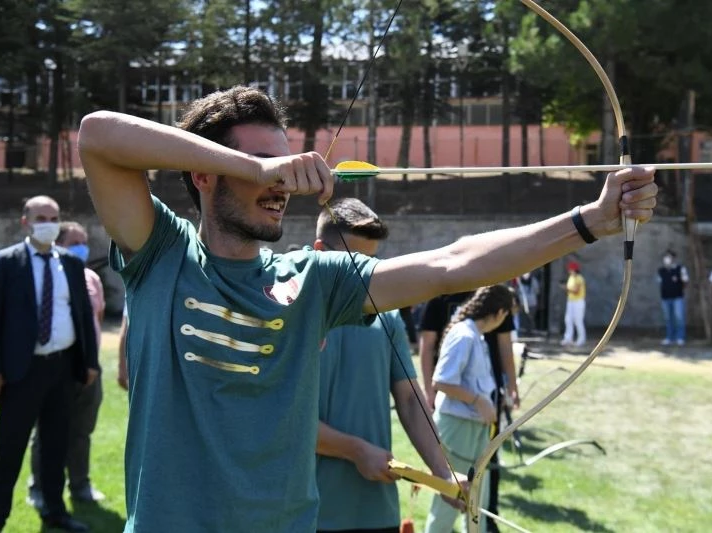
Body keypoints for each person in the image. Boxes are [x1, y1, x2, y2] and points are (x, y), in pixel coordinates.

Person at [76, 85, 657, 531]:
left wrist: (591, 222)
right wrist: (258, 170)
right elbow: (98, 134)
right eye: (261, 164)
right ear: (204, 173)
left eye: (285, 165)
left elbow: (452, 264)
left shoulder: (315, 279)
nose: (283, 182)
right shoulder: (161, 253)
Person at [313, 198, 459, 533]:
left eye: (373, 262)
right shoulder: (288, 317)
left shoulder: (386, 316)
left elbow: (409, 400)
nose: (366, 274)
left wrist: (443, 470)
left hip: (377, 513)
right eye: (355, 262)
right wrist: (355, 450)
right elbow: (283, 419)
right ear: (319, 250)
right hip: (306, 513)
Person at [0, 196, 100, 533]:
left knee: (56, 444)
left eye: (54, 217)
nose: (48, 223)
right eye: (41, 217)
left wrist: (90, 362)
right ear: (25, 221)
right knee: (8, 450)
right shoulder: (4, 264)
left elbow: (82, 315)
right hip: (21, 372)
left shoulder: (69, 263)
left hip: (62, 369)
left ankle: (55, 511)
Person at [417, 287, 518, 529]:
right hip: (457, 426)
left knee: (476, 506)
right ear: (500, 312)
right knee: (449, 500)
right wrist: (479, 401)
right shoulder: (464, 335)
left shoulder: (477, 335)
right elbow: (441, 380)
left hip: (475, 427)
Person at [29, 221, 107, 510]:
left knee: (82, 431)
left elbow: (97, 320)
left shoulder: (91, 278)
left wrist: (91, 360)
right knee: (46, 432)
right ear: (60, 244)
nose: (82, 246)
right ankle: (38, 487)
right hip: (56, 368)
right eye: (76, 241)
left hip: (89, 369)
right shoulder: (47, 276)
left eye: (84, 241)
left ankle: (80, 485)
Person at [656, 249, 689, 346]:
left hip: (677, 297)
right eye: (666, 257)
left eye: (669, 257)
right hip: (665, 298)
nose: (667, 259)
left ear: (674, 258)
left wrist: (680, 289)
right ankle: (669, 337)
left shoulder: (680, 268)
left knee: (679, 318)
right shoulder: (661, 270)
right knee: (668, 318)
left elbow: (686, 281)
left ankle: (680, 337)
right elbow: (660, 283)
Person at [561, 261, 586, 347]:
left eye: (570, 269)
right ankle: (568, 338)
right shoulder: (571, 277)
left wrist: (566, 288)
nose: (569, 271)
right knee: (568, 320)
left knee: (578, 321)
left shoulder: (579, 278)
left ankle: (581, 339)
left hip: (578, 302)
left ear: (574, 270)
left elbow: (576, 291)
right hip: (570, 301)